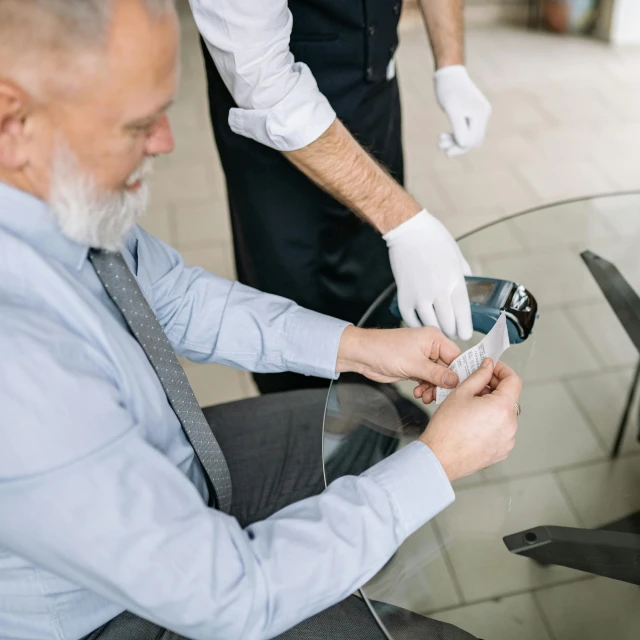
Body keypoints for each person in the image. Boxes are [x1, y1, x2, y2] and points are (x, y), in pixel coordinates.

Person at [0, 1, 521, 639]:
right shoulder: (20, 369)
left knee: (380, 418)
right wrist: (438, 465)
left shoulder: (45, 197)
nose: (166, 141)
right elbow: (231, 597)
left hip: (178, 465)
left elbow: (175, 297)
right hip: (117, 613)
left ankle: (352, 561)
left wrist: (360, 348)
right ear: (12, 120)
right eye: (139, 124)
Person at [191, 0, 492, 393]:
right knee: (291, 300)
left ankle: (374, 407)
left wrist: (451, 65)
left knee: (378, 282)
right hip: (270, 130)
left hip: (372, 97)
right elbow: (263, 82)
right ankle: (301, 423)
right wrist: (404, 220)